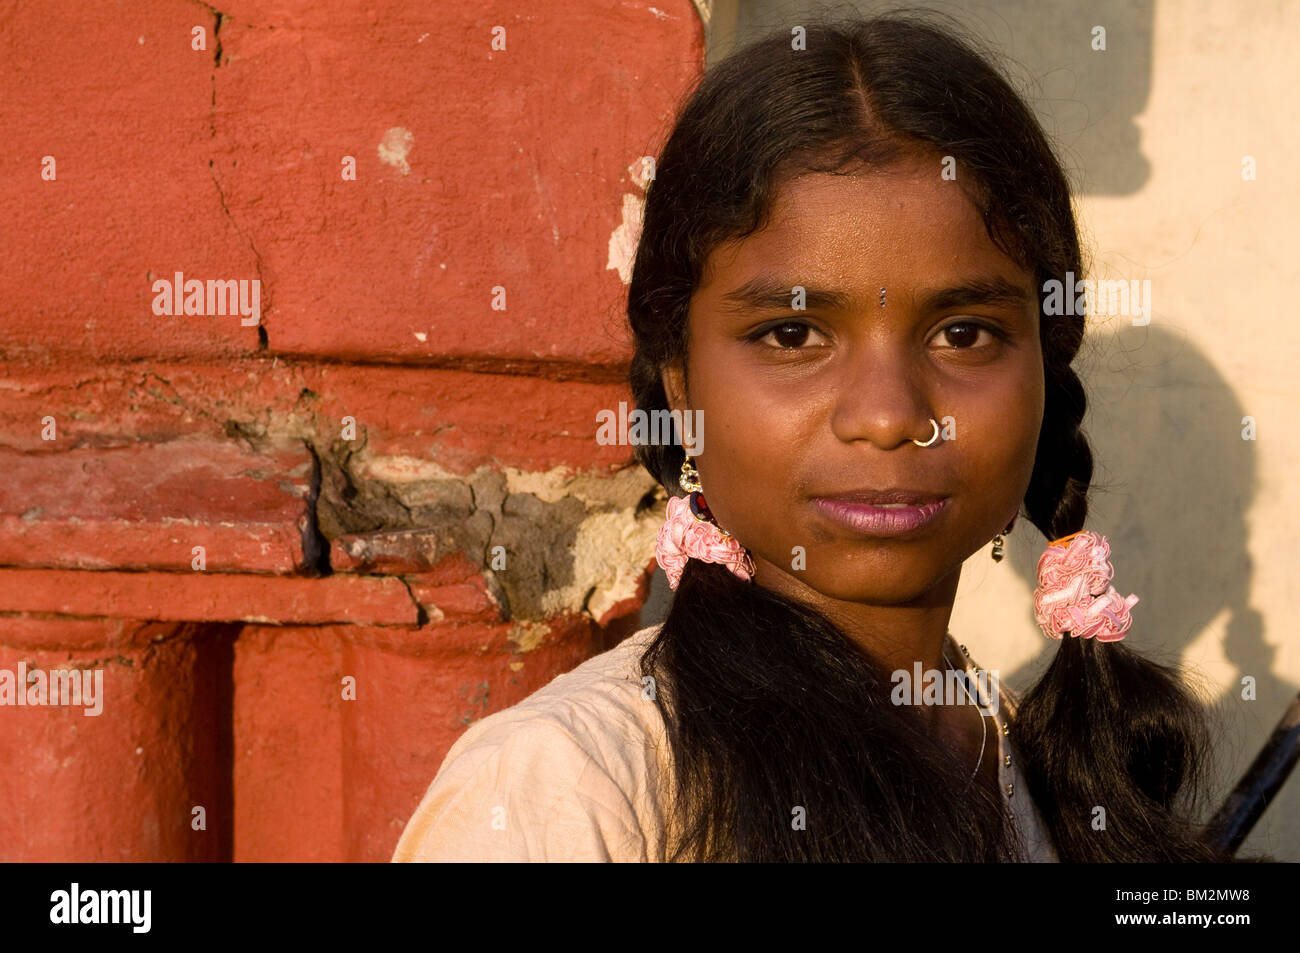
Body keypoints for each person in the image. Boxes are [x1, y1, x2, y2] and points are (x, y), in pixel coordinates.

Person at [393, 11, 1231, 863]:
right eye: (792, 336)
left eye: (965, 331)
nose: (888, 413)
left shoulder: (1031, 769)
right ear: (681, 383)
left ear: (1045, 374)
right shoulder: (566, 789)